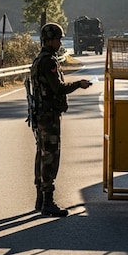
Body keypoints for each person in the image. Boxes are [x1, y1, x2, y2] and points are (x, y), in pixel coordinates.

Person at [30, 22, 91, 217]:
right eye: (57, 39)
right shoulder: (49, 62)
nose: (59, 42)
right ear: (48, 40)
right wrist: (78, 84)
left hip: (41, 114)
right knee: (50, 156)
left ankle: (40, 199)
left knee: (41, 153)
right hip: (48, 116)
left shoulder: (40, 60)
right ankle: (48, 201)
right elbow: (58, 88)